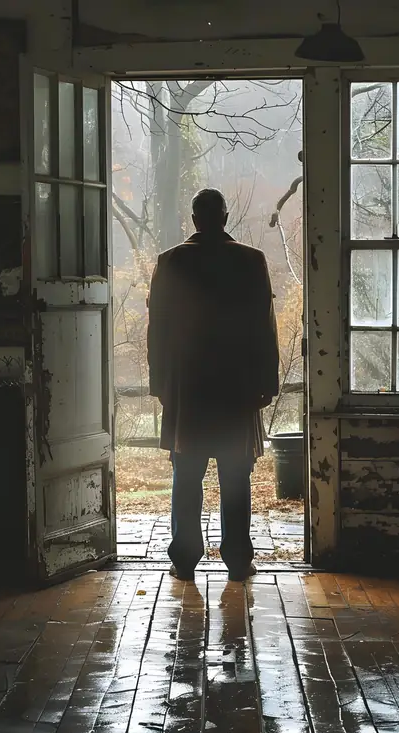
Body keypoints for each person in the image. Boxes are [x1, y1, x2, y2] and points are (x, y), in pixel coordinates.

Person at [147, 188, 279, 582]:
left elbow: (158, 332)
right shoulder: (251, 260)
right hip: (237, 387)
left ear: (194, 219)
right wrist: (267, 381)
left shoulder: (170, 262)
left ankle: (184, 559)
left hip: (186, 388)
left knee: (187, 476)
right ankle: (237, 560)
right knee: (236, 476)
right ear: (225, 218)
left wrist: (160, 383)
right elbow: (265, 327)